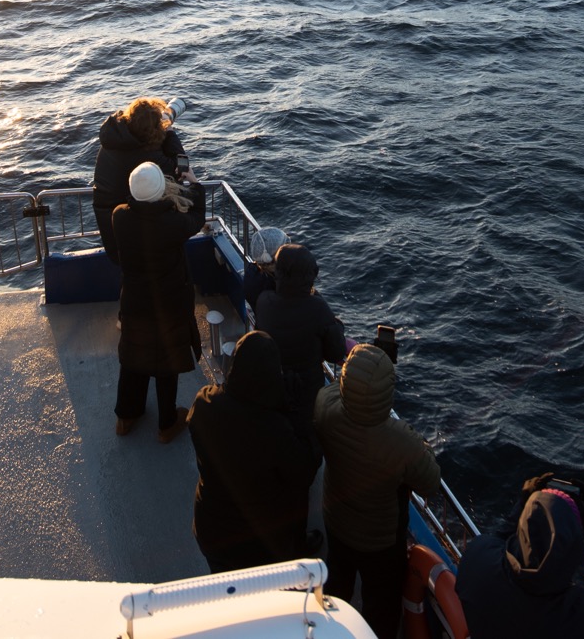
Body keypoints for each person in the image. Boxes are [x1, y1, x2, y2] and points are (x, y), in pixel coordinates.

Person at [313, 342, 442, 639]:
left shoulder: (325, 408)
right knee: (381, 605)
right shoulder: (401, 443)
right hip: (380, 542)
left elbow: (335, 392)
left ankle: (332, 629)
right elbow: (431, 482)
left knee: (338, 583)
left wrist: (357, 367)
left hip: (336, 520)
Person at [187, 329, 321, 572]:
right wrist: (295, 412)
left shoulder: (204, 403)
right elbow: (305, 470)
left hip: (210, 530)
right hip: (256, 547)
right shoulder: (274, 429)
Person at [455, 475, 584, 637]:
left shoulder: (477, 560)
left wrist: (524, 504)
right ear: (574, 548)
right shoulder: (583, 618)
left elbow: (495, 540)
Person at [109, 161, 204, 442]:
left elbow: (141, 210)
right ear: (161, 191)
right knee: (166, 361)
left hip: (134, 301)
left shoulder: (119, 217)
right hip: (168, 304)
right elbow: (196, 218)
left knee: (132, 355)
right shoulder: (172, 223)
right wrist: (195, 184)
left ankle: (126, 417)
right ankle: (167, 424)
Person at [252, 243, 347, 431]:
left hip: (272, 383)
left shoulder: (264, 300)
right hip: (307, 391)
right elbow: (336, 353)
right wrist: (337, 326)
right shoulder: (318, 309)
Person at [93, 97, 186, 256]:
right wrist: (169, 133)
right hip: (133, 234)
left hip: (111, 226)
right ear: (153, 130)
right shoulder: (146, 155)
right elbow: (180, 169)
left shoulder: (114, 138)